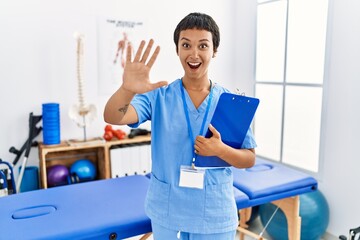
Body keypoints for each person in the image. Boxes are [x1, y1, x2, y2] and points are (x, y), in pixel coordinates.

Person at [104, 12, 256, 240]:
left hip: (214, 214)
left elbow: (249, 159)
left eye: (203, 46)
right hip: (168, 212)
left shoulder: (229, 102)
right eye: (186, 45)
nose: (194, 54)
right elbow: (113, 116)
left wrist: (220, 151)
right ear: (177, 50)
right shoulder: (158, 96)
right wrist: (127, 89)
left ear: (214, 51)